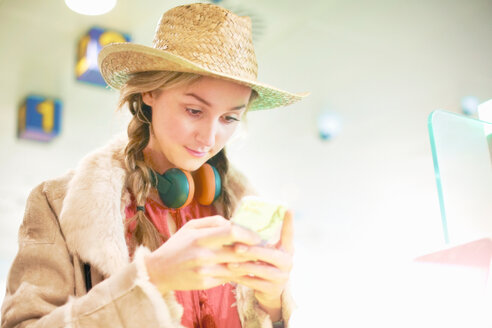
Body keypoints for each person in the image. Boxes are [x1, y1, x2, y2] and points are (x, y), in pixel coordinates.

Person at [1, 3, 307, 328]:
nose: (210, 137)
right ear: (149, 91)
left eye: (230, 117)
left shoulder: (241, 214)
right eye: (194, 110)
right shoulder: (57, 204)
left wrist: (272, 307)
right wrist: (150, 279)